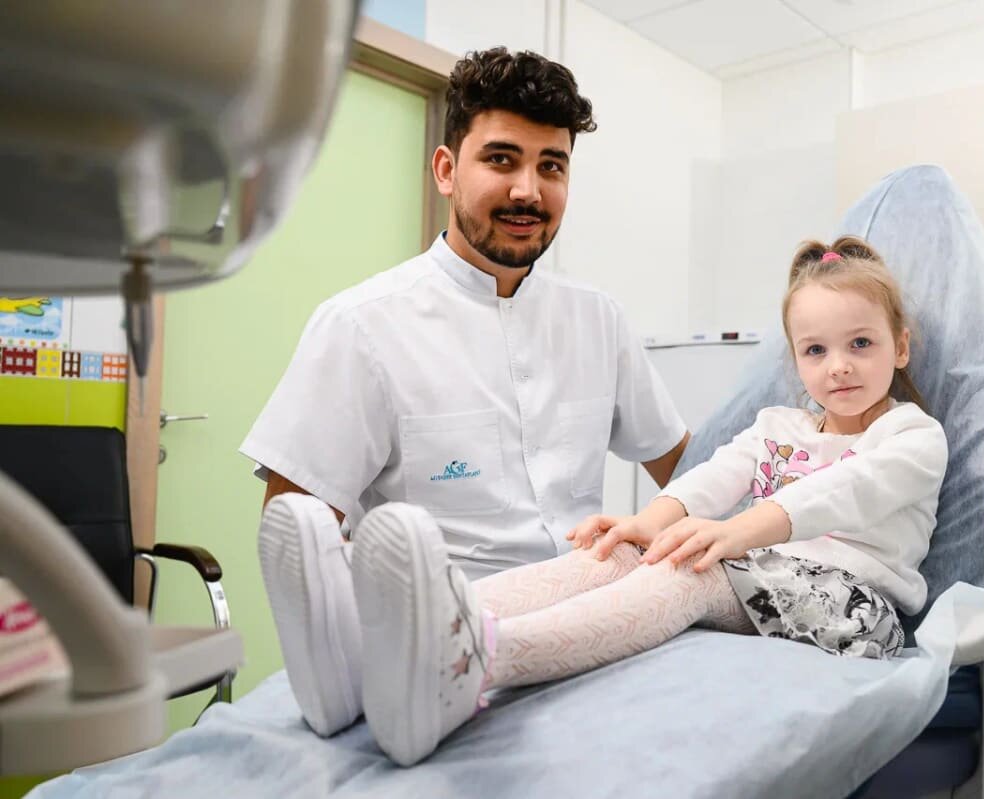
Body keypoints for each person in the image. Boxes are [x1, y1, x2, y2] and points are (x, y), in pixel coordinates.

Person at [341, 235, 950, 765]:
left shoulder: (913, 436)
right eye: (816, 350)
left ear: (899, 347)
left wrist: (735, 533)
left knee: (690, 571)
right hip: (767, 575)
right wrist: (646, 523)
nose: (838, 367)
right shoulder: (778, 426)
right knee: (615, 554)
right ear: (796, 359)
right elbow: (713, 476)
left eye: (861, 344)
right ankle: (380, 636)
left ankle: (474, 659)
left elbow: (843, 491)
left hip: (856, 609)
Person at [249, 48, 689, 737]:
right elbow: (297, 536)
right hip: (434, 645)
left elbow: (688, 470)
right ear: (447, 169)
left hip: (587, 633)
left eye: (551, 166)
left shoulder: (598, 321)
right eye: (501, 160)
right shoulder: (361, 326)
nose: (528, 191)